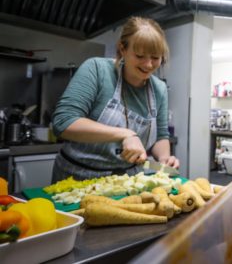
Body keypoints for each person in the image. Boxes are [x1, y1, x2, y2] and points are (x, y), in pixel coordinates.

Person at [51, 16, 179, 182]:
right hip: (77, 178)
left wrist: (164, 159)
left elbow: (161, 136)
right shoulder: (97, 69)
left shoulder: (159, 89)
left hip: (127, 181)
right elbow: (63, 122)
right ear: (122, 49)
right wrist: (125, 134)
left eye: (155, 58)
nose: (148, 65)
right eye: (140, 56)